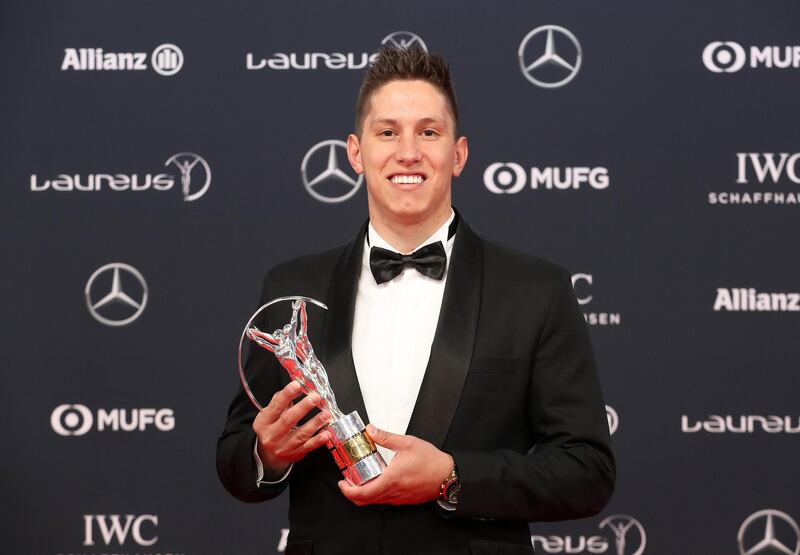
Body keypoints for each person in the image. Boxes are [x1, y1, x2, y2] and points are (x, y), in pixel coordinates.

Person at [217, 46, 615, 555]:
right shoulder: (291, 288)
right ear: (355, 153)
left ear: (459, 153)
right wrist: (268, 454)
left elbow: (587, 471)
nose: (408, 152)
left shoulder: (536, 291)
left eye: (428, 132)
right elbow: (234, 458)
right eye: (387, 133)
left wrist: (453, 477)